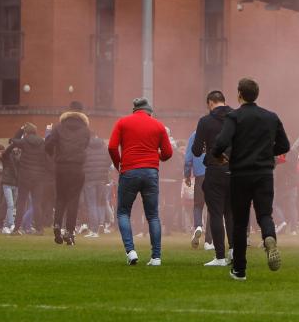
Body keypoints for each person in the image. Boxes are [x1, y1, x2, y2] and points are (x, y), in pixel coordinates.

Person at [212, 78, 290, 281]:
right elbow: (284, 145)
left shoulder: (234, 117)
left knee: (240, 222)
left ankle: (239, 269)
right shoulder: (271, 117)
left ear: (239, 94)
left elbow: (220, 143)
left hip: (240, 174)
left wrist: (221, 156)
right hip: (264, 174)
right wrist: (266, 152)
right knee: (265, 214)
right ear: (257, 94)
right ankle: (269, 237)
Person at [108, 98, 173, 266]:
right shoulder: (158, 125)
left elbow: (112, 147)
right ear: (149, 111)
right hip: (151, 172)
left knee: (123, 212)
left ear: (134, 110)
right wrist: (154, 155)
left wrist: (118, 164)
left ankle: (131, 251)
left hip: (129, 170)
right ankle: (156, 257)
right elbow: (168, 153)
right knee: (152, 215)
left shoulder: (122, 122)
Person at [192, 90, 235, 267]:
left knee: (216, 213)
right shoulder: (236, 118)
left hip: (214, 170)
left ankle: (219, 257)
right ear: (224, 101)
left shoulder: (205, 121)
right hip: (235, 170)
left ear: (210, 103)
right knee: (231, 214)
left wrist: (206, 149)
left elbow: (196, 150)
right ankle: (234, 251)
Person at [44, 101, 91, 246]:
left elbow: (48, 145)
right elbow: (85, 146)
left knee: (61, 198)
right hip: (77, 168)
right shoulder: (85, 130)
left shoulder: (58, 127)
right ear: (81, 113)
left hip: (61, 166)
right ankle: (70, 233)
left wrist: (54, 155)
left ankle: (57, 225)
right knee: (73, 200)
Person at [81, 131, 110, 238]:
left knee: (91, 204)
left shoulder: (85, 148)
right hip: (102, 179)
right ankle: (100, 224)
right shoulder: (104, 147)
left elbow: (81, 162)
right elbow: (109, 161)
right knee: (99, 203)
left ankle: (94, 230)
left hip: (89, 179)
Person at [183, 129, 207, 248]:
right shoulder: (219, 130)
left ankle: (198, 226)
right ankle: (209, 241)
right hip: (215, 173)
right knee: (214, 209)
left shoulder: (194, 135)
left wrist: (187, 175)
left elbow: (188, 157)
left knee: (198, 205)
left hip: (200, 175)